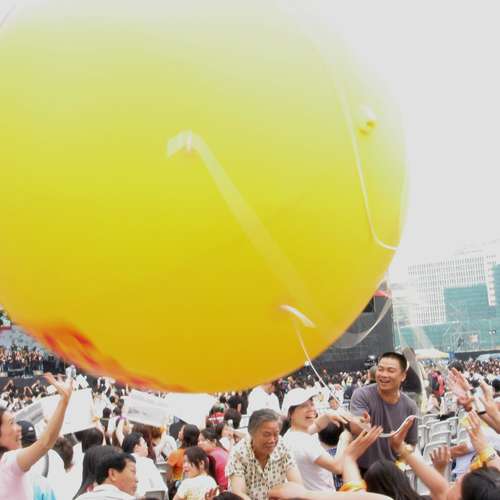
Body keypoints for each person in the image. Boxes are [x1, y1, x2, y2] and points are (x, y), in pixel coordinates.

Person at [0, 373, 72, 500]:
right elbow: (45, 443)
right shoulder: (8, 462)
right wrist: (64, 400)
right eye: (11, 423)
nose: (19, 428)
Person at [349, 352, 418, 473]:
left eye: (390, 370)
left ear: (403, 376)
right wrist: (363, 424)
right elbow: (355, 427)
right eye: (380, 369)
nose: (384, 374)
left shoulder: (410, 406)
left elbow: (412, 444)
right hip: (362, 470)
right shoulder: (361, 395)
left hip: (393, 470)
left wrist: (402, 457)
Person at [225, 409, 302, 500]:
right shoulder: (239, 453)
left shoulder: (283, 446)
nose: (272, 440)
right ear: (252, 433)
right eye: (267, 434)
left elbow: (297, 485)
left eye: (276, 434)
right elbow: (239, 493)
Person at [122, 432, 167, 497]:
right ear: (136, 447)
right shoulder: (147, 462)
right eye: (144, 443)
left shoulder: (119, 464)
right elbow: (162, 488)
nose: (147, 446)